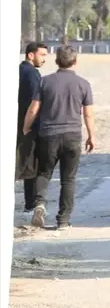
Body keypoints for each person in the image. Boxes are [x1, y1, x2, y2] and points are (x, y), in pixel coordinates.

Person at [22, 45, 96, 230]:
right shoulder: (83, 84)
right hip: (72, 135)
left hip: (48, 135)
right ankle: (63, 220)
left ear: (56, 61)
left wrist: (26, 127)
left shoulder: (45, 82)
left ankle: (39, 204)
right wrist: (91, 136)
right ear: (75, 62)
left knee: (44, 173)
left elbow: (34, 108)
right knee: (68, 179)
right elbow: (88, 114)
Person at [16, 42, 49, 214]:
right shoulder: (32, 74)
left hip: (18, 122)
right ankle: (31, 203)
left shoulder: (19, 70)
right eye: (42, 55)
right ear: (30, 55)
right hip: (29, 125)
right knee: (30, 165)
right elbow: (35, 103)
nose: (44, 59)